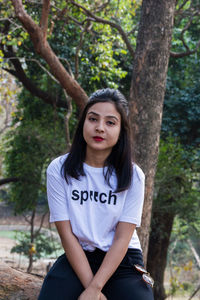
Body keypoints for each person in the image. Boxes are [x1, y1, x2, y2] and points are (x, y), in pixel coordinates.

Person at [38, 88, 154, 300]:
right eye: (93, 119)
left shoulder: (133, 175)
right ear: (83, 123)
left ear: (121, 131)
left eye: (110, 122)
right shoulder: (58, 169)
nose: (100, 128)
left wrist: (94, 288)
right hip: (79, 256)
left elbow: (122, 238)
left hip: (123, 260)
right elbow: (66, 234)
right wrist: (91, 288)